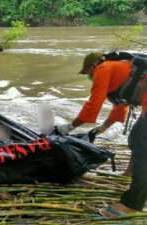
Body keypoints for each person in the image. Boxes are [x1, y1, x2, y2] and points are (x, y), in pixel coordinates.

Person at [56, 52, 147, 217]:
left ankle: (132, 205)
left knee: (142, 145)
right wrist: (103, 127)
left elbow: (94, 104)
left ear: (93, 65)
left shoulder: (103, 68)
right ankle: (130, 173)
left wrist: (70, 126)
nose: (89, 76)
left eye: (87, 72)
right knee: (136, 136)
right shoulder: (120, 70)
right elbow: (120, 107)